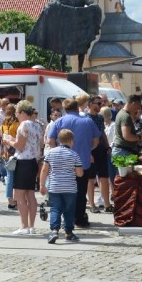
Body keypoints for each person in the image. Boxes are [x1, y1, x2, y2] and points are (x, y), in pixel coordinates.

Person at [47, 98, 101, 228]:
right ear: (77, 107)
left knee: (63, 193)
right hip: (82, 162)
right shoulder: (88, 121)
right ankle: (79, 218)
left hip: (62, 163)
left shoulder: (59, 121)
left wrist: (57, 151)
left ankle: (62, 219)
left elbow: (50, 140)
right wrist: (88, 149)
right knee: (81, 192)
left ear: (65, 109)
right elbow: (96, 140)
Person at [4, 100, 43, 235]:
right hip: (33, 161)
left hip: (23, 162)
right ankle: (31, 226)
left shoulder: (23, 125)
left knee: (20, 195)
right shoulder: (37, 125)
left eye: (17, 112)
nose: (16, 115)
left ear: (22, 112)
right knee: (31, 194)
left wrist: (8, 141)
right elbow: (41, 144)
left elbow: (19, 146)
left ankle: (24, 226)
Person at [40, 129, 84, 244]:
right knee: (69, 210)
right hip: (70, 188)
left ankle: (54, 231)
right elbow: (79, 173)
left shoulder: (50, 153)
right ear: (71, 141)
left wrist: (42, 185)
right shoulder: (74, 155)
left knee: (55, 209)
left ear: (59, 140)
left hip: (54, 186)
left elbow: (44, 170)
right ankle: (69, 233)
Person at [110, 95, 142, 182]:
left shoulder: (122, 114)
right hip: (123, 152)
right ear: (133, 103)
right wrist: (140, 137)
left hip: (122, 151)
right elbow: (127, 136)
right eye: (138, 106)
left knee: (123, 180)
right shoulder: (125, 116)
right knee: (124, 181)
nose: (138, 109)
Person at [86, 95, 112, 213]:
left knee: (104, 177)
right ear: (90, 104)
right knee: (91, 179)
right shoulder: (85, 118)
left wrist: (107, 147)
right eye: (98, 103)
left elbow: (103, 133)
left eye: (101, 103)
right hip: (91, 149)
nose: (100, 106)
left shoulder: (100, 118)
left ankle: (107, 204)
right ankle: (92, 204)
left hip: (101, 148)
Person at [0, 104, 20, 209]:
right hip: (15, 153)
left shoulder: (3, 124)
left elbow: (2, 139)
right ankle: (14, 200)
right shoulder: (17, 124)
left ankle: (10, 200)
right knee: (14, 177)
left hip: (6, 152)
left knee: (9, 177)